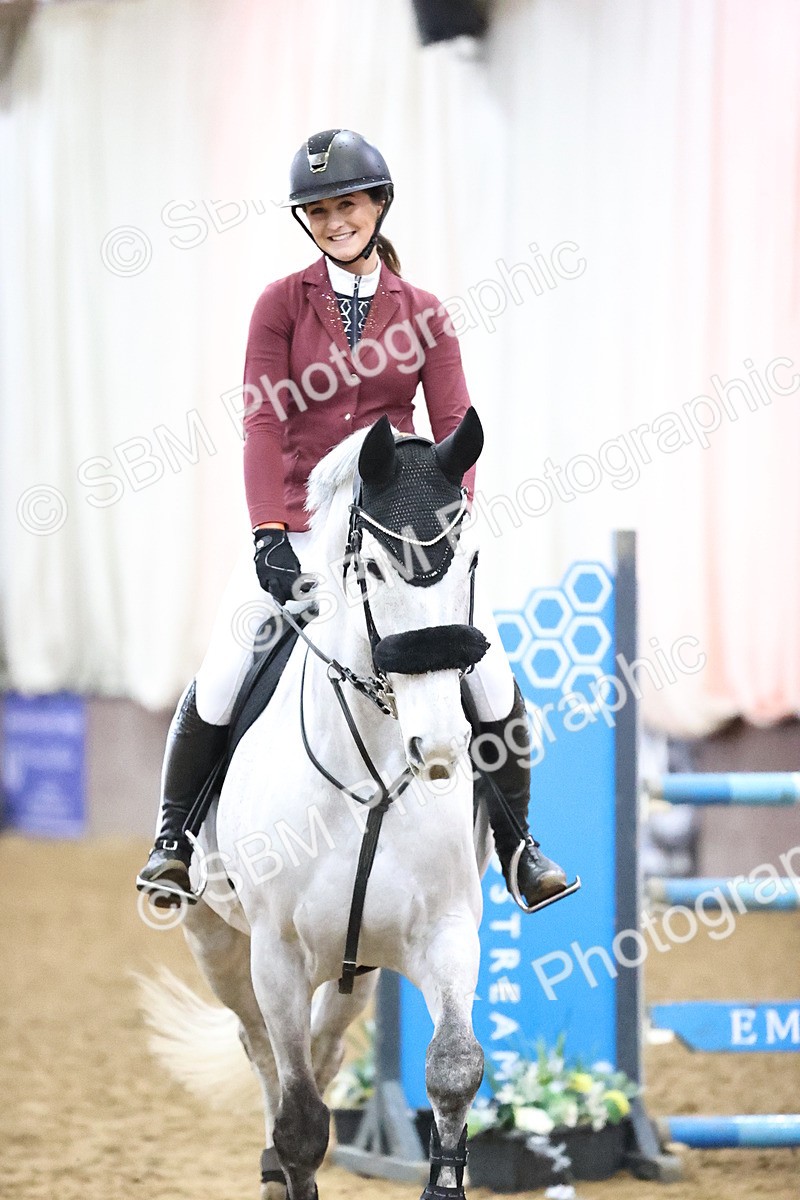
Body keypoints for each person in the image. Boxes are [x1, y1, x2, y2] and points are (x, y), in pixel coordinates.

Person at [136, 129, 569, 910]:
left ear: (378, 205)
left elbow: (454, 430)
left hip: (396, 529)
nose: (336, 220)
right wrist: (269, 532)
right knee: (226, 672)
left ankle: (518, 845)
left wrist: (437, 521)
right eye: (321, 209)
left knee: (493, 680)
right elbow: (264, 424)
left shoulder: (426, 315)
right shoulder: (279, 306)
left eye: (348, 204)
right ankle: (174, 840)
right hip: (301, 523)